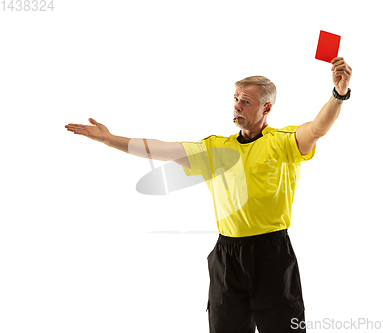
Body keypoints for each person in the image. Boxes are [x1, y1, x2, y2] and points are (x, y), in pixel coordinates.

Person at [65, 57, 353, 332]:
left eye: (246, 101)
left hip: (272, 255)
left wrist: (338, 95)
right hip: (227, 258)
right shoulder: (216, 149)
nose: (237, 106)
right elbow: (161, 149)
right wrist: (109, 138)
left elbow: (317, 129)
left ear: (266, 109)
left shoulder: (283, 143)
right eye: (236, 99)